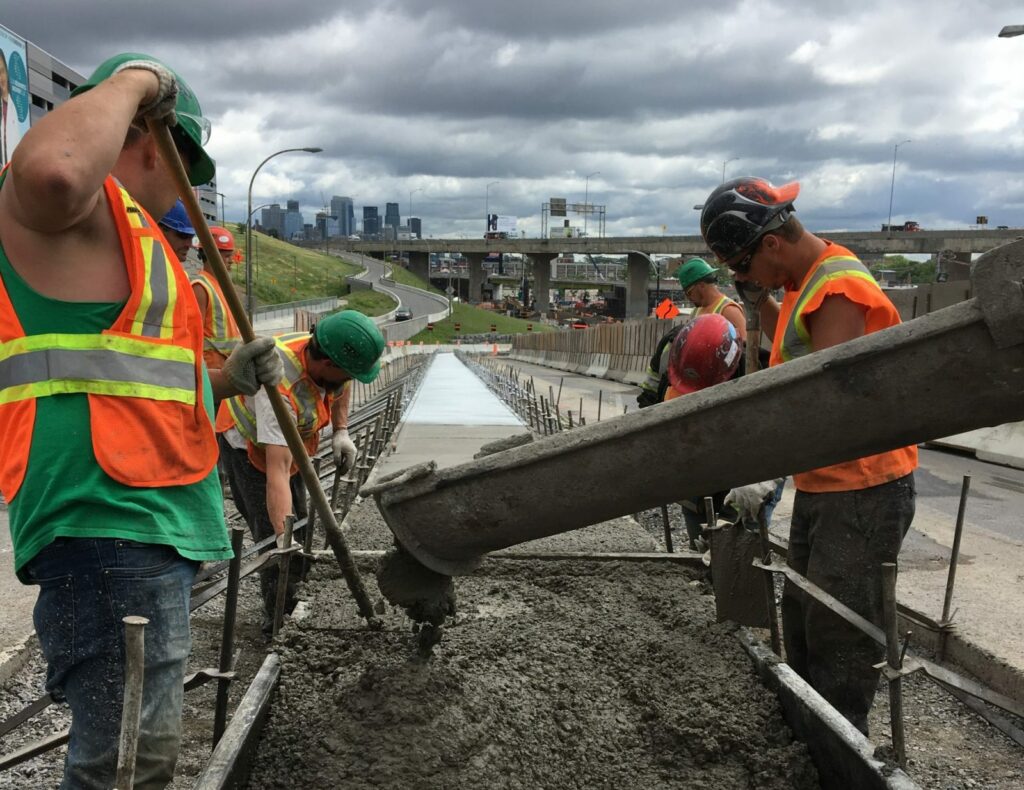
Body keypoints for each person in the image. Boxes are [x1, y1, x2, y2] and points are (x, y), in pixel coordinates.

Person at [0, 52, 283, 788]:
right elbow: (52, 171)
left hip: (142, 518)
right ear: (154, 140)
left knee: (135, 757)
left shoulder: (134, 238)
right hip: (110, 517)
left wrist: (225, 380)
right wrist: (136, 79)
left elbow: (137, 382)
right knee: (123, 766)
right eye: (185, 163)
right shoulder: (71, 210)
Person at [700, 176, 917, 734]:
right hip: (827, 483)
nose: (741, 279)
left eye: (743, 268)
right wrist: (761, 302)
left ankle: (842, 750)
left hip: (862, 486)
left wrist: (764, 472)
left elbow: (826, 404)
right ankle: (807, 737)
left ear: (770, 243)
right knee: (801, 617)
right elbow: (796, 344)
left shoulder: (838, 287)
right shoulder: (802, 281)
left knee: (838, 633)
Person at [220, 310, 384, 637]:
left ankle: (296, 591)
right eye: (345, 373)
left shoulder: (324, 356)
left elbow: (340, 385)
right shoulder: (276, 390)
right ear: (326, 364)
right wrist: (284, 537)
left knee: (302, 517)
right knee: (274, 532)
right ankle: (279, 623)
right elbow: (277, 472)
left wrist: (341, 430)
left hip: (294, 441)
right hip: (250, 448)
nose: (347, 379)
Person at [675, 257, 747, 344]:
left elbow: (745, 346)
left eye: (689, 293)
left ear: (701, 285)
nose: (688, 298)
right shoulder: (695, 312)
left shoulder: (728, 310)